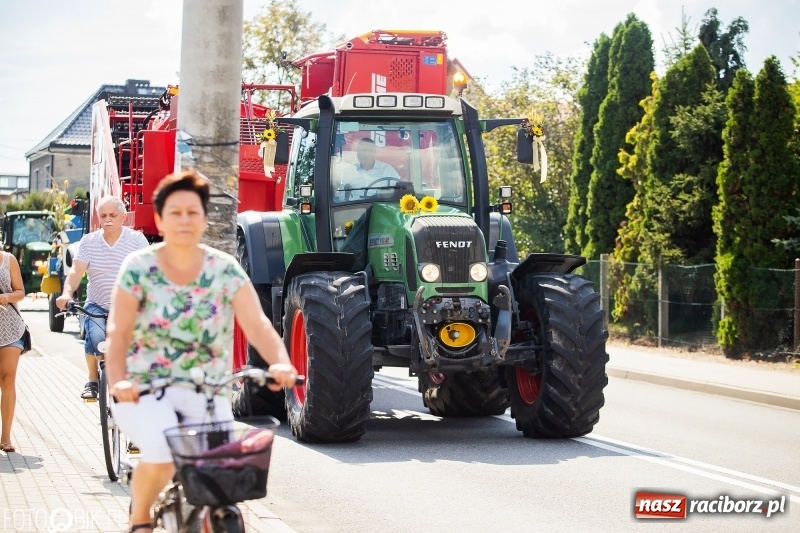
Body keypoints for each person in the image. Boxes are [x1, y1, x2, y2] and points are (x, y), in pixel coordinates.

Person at [104, 171, 299, 533]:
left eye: (193, 212)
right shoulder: (138, 268)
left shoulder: (223, 269)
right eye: (175, 212)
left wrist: (281, 362)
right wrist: (119, 381)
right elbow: (117, 333)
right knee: (163, 453)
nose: (184, 220)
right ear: (160, 220)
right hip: (144, 390)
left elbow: (256, 324)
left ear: (205, 219)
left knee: (224, 477)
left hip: (207, 391)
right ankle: (140, 518)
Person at [56, 196, 149, 399]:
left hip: (128, 306)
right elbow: (76, 272)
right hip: (97, 304)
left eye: (113, 215)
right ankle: (92, 380)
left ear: (123, 217)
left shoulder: (136, 240)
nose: (107, 219)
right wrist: (66, 293)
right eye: (103, 215)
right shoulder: (89, 242)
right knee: (96, 340)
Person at [0, 251, 26, 453]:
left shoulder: (8, 260)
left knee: (8, 379)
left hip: (10, 328)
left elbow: (20, 292)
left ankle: (6, 436)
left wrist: (6, 297)